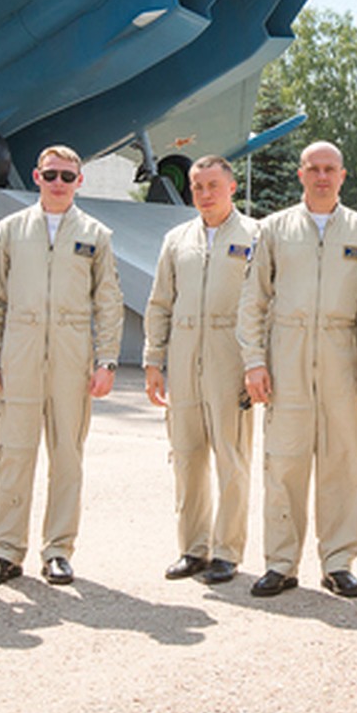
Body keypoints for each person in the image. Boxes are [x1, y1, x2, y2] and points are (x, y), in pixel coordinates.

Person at [0, 146, 123, 586]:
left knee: (67, 457)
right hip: (20, 351)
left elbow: (109, 302)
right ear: (36, 177)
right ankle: (6, 550)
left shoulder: (96, 235)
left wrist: (107, 360)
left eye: (67, 176)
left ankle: (58, 550)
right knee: (14, 456)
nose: (58, 183)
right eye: (51, 175)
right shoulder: (11, 231)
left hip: (72, 354)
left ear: (80, 182)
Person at [238, 141, 357, 598]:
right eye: (314, 169)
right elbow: (253, 300)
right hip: (287, 355)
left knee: (343, 464)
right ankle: (281, 562)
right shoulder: (274, 229)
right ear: (301, 175)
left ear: (342, 176)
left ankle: (339, 562)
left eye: (330, 170)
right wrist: (255, 362)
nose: (322, 177)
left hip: (341, 355)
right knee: (284, 464)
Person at [143, 155, 258, 584]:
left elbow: (263, 304)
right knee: (187, 457)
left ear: (230, 187)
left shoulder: (255, 236)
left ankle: (227, 551)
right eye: (197, 187)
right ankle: (194, 548)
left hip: (231, 355)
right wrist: (155, 361)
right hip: (185, 353)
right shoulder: (177, 239)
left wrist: (256, 364)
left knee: (231, 456)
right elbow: (159, 303)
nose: (205, 194)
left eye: (213, 185)